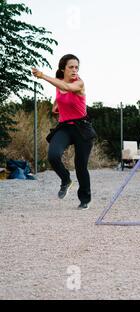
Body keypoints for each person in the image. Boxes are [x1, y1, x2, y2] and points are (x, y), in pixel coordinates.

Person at [32, 54, 95, 210]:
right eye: (71, 67)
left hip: (82, 128)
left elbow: (67, 88)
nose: (74, 70)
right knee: (53, 155)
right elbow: (60, 92)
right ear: (63, 69)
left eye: (76, 67)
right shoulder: (58, 82)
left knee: (80, 166)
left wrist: (42, 75)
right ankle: (66, 180)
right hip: (65, 127)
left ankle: (84, 199)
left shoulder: (79, 83)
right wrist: (56, 105)